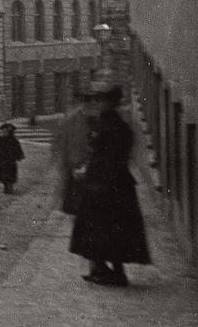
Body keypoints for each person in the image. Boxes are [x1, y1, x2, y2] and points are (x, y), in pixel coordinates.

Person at [70, 84, 151, 287]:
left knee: (105, 228)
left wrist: (92, 173)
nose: (97, 103)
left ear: (111, 102)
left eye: (101, 100)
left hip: (107, 185)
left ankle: (110, 271)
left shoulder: (113, 125)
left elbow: (112, 157)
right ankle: (104, 270)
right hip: (108, 183)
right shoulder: (108, 122)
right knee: (106, 229)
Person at [53, 86, 96, 215]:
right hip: (78, 166)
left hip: (84, 165)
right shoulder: (74, 118)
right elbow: (64, 141)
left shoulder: (76, 117)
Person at [0, 123, 25, 194]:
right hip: (2, 159)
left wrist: (19, 156)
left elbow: (18, 148)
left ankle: (10, 187)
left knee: (11, 174)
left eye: (6, 131)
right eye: (3, 131)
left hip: (11, 160)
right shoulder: (0, 138)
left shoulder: (13, 139)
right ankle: (6, 187)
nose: (4, 132)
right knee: (3, 174)